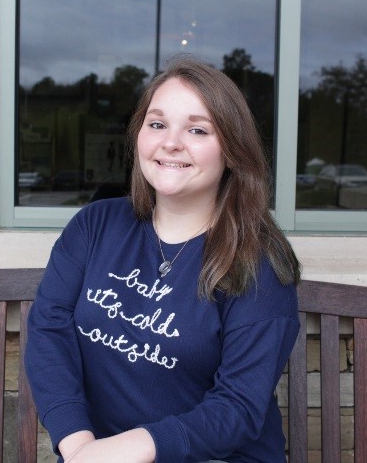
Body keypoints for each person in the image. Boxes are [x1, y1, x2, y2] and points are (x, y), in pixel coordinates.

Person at [24, 56, 301, 463]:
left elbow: (238, 407)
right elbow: (49, 331)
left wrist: (124, 450)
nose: (171, 142)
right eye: (157, 124)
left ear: (232, 149)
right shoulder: (96, 225)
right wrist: (79, 445)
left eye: (197, 129)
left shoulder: (257, 261)